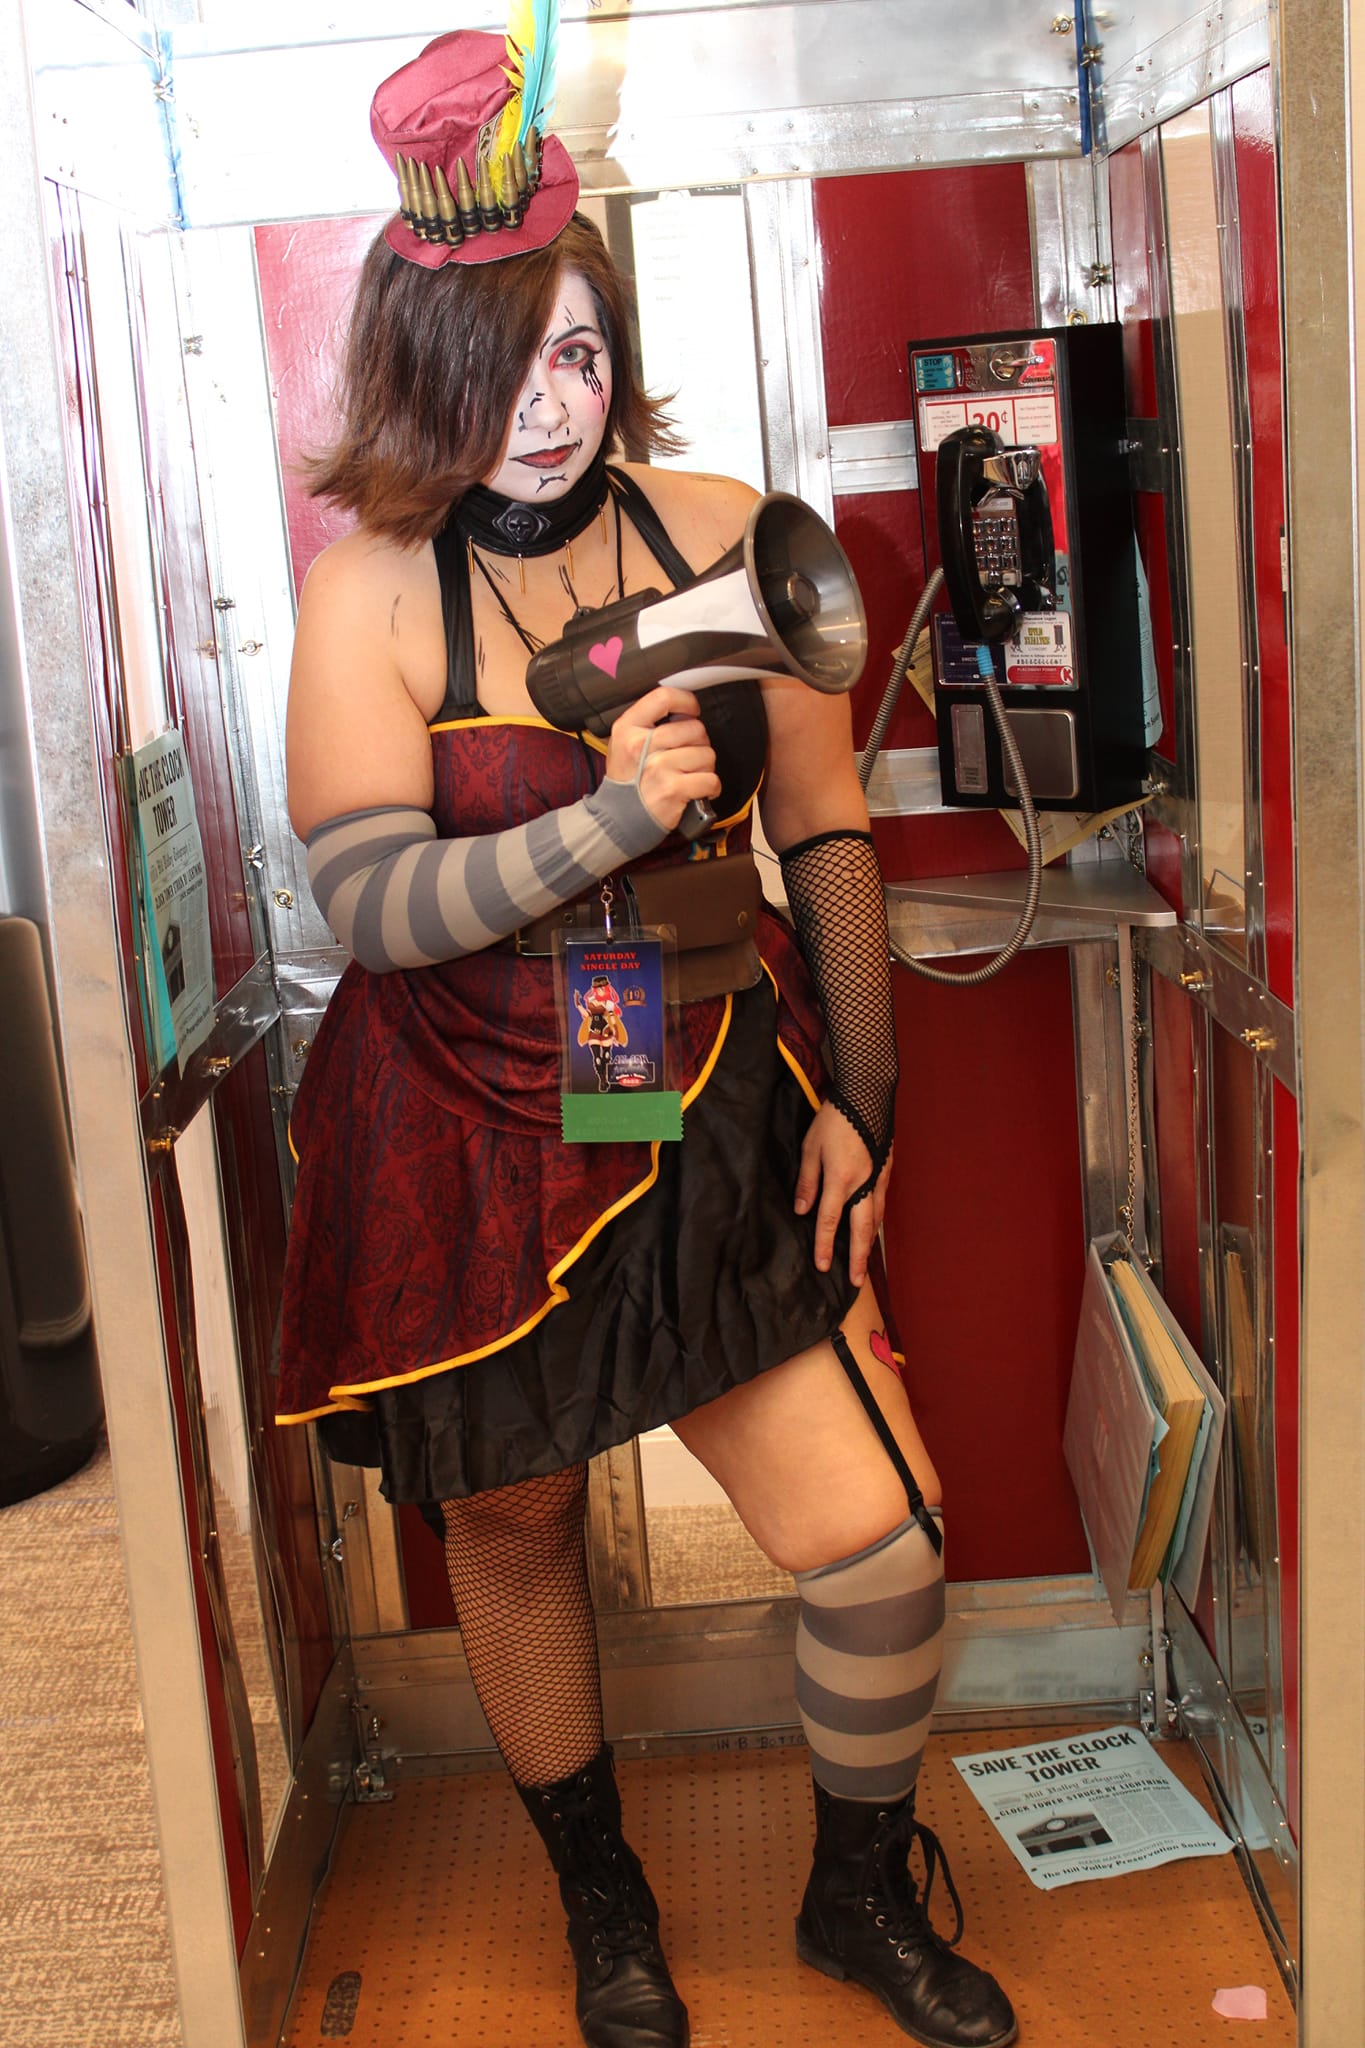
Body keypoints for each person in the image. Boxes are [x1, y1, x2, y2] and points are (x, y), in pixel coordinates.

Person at [277, 25, 1016, 2048]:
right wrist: (603, 815)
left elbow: (824, 830)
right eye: (502, 367)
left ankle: (853, 1894)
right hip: (465, 1116)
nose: (547, 408)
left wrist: (864, 1104)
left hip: (691, 1072)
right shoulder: (371, 593)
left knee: (876, 1543)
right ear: (420, 370)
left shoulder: (719, 527)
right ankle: (602, 1900)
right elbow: (369, 903)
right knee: (514, 1524)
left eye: (580, 356)